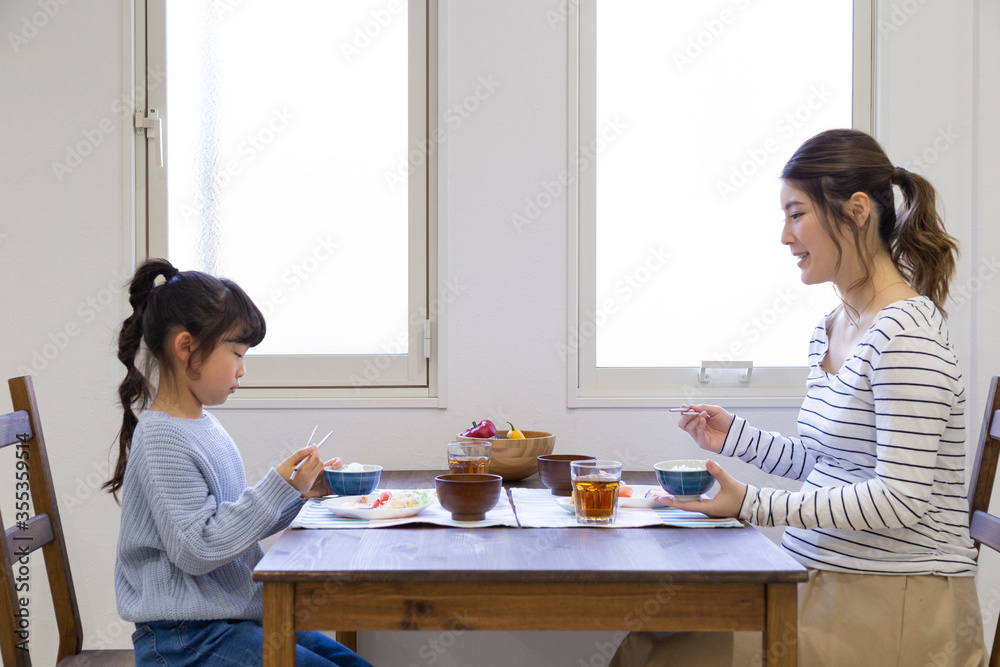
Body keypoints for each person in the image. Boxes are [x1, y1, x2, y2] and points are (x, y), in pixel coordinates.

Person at [612, 129, 988, 667]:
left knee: (661, 658)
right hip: (825, 582)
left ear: (856, 211)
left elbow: (900, 497)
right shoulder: (831, 328)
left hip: (897, 603)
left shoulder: (907, 333)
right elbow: (830, 462)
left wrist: (751, 504)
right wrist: (733, 436)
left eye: (796, 214)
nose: (785, 237)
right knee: (648, 641)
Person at [104, 257, 372, 667]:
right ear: (186, 347)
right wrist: (275, 487)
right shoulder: (162, 438)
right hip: (183, 639)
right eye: (236, 353)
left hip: (226, 621)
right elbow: (198, 549)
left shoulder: (204, 426)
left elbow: (231, 528)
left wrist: (299, 494)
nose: (243, 370)